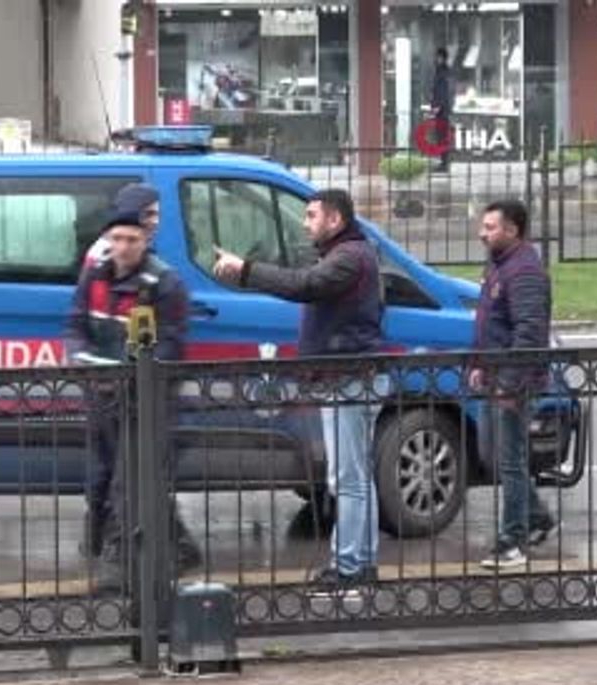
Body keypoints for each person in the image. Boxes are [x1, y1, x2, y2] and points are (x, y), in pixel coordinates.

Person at [211, 188, 383, 594]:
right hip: (343, 376)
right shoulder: (345, 254)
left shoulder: (349, 258)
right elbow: (302, 279)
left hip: (348, 378)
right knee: (355, 477)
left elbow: (304, 285)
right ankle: (361, 563)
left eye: (310, 216)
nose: (305, 224)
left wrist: (246, 270)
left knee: (350, 480)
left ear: (335, 220)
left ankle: (350, 569)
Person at [66, 203, 201, 590]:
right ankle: (181, 548)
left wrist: (130, 375)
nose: (123, 247)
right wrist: (79, 356)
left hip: (146, 400)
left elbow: (170, 345)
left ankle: (119, 568)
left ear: (146, 241)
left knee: (129, 483)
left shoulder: (164, 284)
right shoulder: (95, 276)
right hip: (102, 395)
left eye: (132, 239)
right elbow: (75, 324)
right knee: (103, 476)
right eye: (118, 238)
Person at [471, 200, 557, 570]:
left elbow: (529, 333)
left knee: (509, 460)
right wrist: (479, 364)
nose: (482, 233)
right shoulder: (500, 264)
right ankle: (536, 516)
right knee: (495, 455)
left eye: (490, 227)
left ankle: (513, 540)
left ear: (512, 231)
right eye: (484, 226)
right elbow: (491, 322)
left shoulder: (524, 271)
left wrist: (508, 384)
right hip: (497, 377)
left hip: (514, 383)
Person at [82, 183, 162, 269]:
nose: (156, 221)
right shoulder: (107, 251)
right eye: (149, 214)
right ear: (131, 213)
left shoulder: (141, 246)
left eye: (157, 214)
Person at [430, 48, 454, 173]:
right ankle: (443, 162)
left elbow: (444, 91)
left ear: (442, 57)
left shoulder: (444, 72)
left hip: (442, 111)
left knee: (442, 137)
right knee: (440, 137)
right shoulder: (441, 71)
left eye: (438, 57)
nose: (436, 59)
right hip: (441, 110)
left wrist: (438, 106)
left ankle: (444, 164)